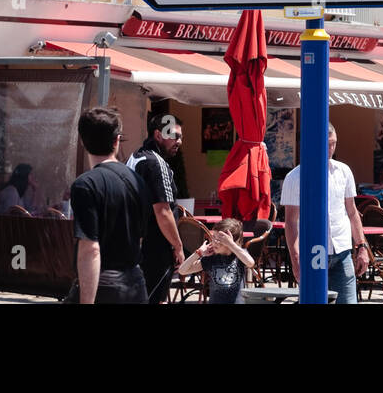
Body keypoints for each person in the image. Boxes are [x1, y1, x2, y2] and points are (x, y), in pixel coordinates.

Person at [69, 107, 150, 304]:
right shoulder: (137, 180)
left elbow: (90, 248)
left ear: (82, 141)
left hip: (104, 285)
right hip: (135, 284)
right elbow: (139, 236)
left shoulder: (85, 185)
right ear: (116, 141)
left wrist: (86, 301)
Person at [281, 123, 370, 303]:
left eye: (334, 144)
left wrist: (362, 247)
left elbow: (352, 212)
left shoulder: (343, 171)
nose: (330, 149)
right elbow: (291, 222)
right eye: (326, 144)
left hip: (342, 249)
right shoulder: (294, 177)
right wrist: (295, 257)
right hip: (312, 252)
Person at [127, 112, 186, 304]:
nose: (179, 142)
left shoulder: (137, 156)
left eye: (181, 137)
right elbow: (163, 210)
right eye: (175, 136)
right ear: (158, 135)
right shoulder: (156, 163)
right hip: (154, 249)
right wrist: (177, 246)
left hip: (137, 245)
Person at [176, 218, 256, 304]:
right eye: (213, 237)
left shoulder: (239, 256)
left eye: (220, 240)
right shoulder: (211, 259)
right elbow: (182, 270)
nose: (214, 242)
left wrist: (231, 244)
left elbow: (250, 263)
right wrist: (198, 253)